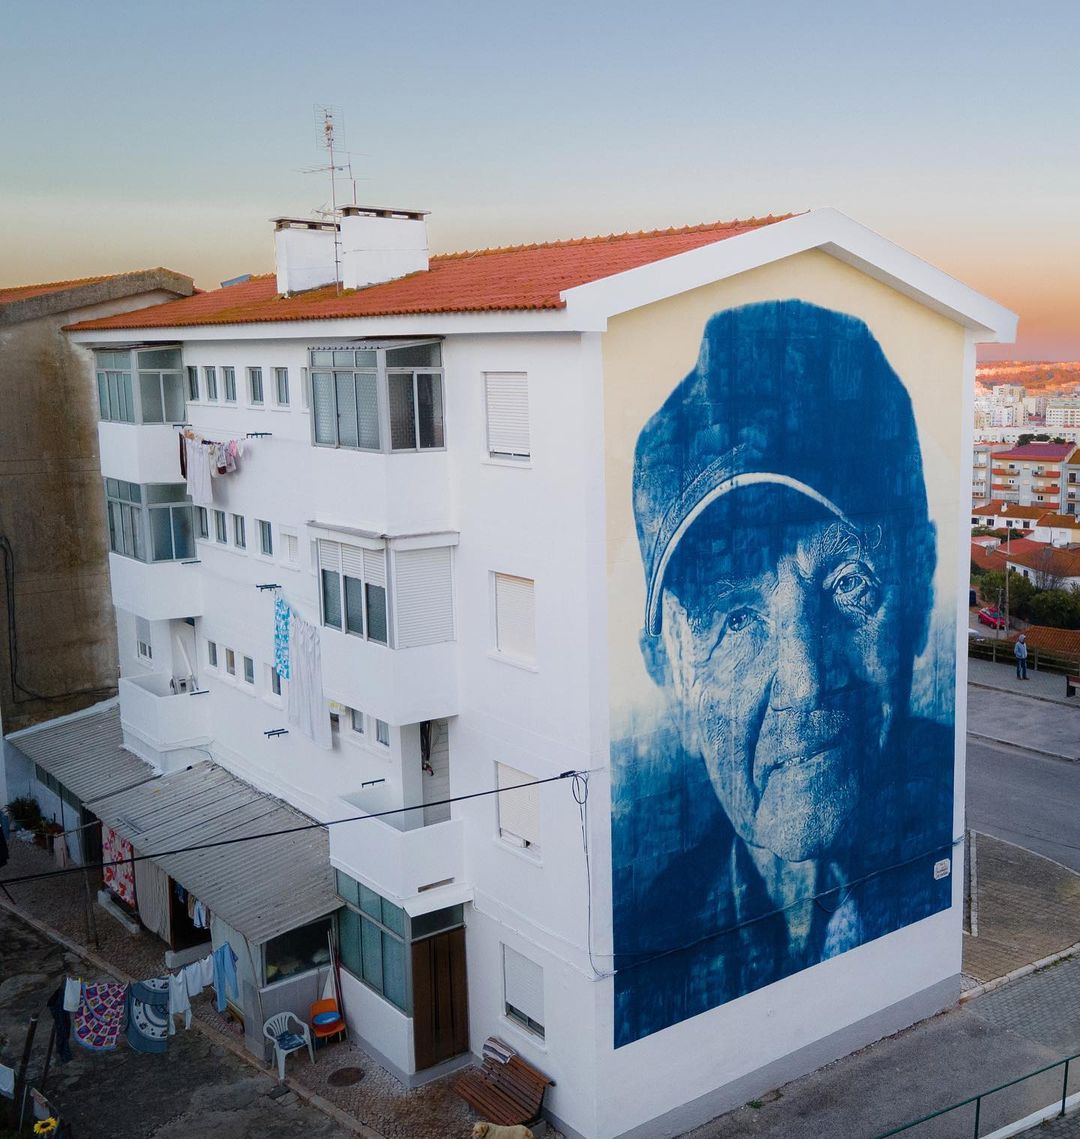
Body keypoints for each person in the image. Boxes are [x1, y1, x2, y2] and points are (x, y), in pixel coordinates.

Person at [611, 300, 954, 1047]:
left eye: (848, 584)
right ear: (669, 675)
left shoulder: (946, 843)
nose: (805, 681)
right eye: (735, 620)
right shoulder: (639, 961)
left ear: (920, 584)